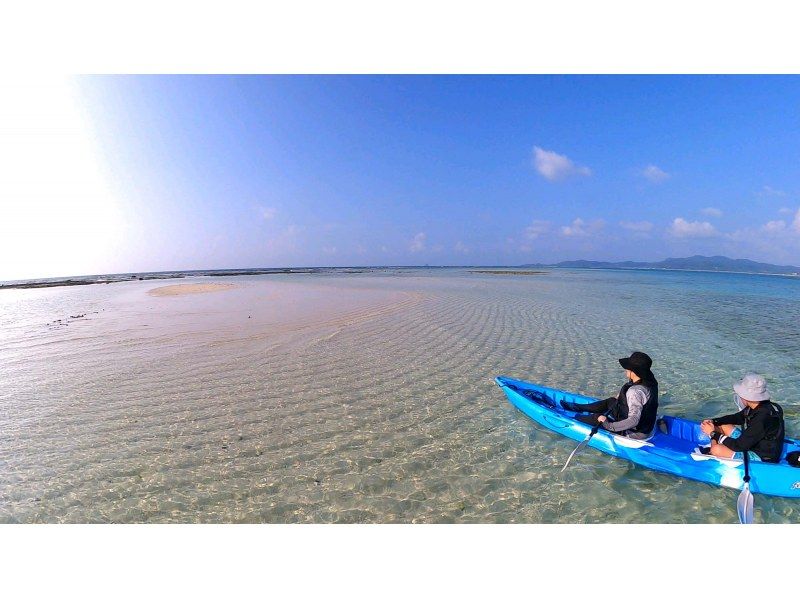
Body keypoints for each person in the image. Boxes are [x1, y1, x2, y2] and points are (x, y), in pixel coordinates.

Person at [560, 351, 659, 440]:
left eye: (627, 368)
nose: (626, 370)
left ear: (634, 371)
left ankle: (572, 419)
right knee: (611, 401)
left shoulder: (635, 392)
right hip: (647, 426)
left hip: (635, 433)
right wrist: (622, 396)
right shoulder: (649, 383)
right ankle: (577, 407)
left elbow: (633, 420)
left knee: (597, 417)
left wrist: (608, 425)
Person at [698, 373, 785, 463]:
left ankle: (713, 451)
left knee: (716, 449)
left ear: (745, 396)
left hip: (762, 456)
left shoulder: (762, 418)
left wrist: (712, 433)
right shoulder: (758, 406)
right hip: (753, 443)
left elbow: (738, 446)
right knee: (724, 425)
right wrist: (714, 421)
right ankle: (718, 446)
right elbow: (737, 417)